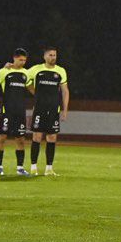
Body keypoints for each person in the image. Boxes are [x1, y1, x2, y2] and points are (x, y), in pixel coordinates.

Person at [0, 48, 34, 175]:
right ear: (14, 58)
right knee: (2, 136)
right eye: (20, 60)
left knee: (20, 139)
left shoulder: (26, 73)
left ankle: (20, 168)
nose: (23, 62)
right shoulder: (4, 71)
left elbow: (32, 89)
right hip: (7, 110)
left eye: (24, 60)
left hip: (20, 111)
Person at [29, 46, 70, 175]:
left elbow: (65, 91)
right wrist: (11, 66)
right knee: (36, 136)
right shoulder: (36, 69)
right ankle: (33, 166)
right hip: (39, 108)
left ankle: (49, 168)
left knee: (52, 137)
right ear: (45, 56)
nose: (53, 58)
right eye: (51, 55)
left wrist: (65, 110)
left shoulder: (60, 71)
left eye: (55, 55)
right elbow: (23, 78)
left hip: (53, 109)